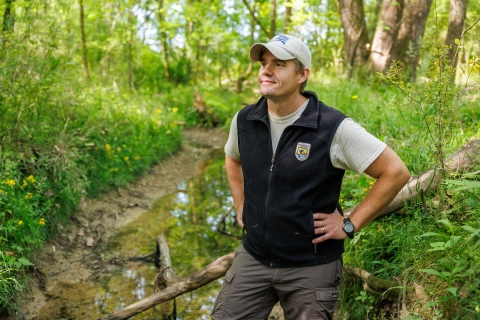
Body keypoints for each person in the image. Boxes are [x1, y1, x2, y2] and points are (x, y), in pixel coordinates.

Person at [212, 34, 410, 320]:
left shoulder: (332, 127)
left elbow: (395, 172)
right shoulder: (245, 120)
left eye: (279, 64)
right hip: (254, 257)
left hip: (312, 266)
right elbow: (232, 157)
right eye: (264, 63)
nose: (266, 70)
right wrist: (240, 202)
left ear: (302, 74)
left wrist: (350, 223)